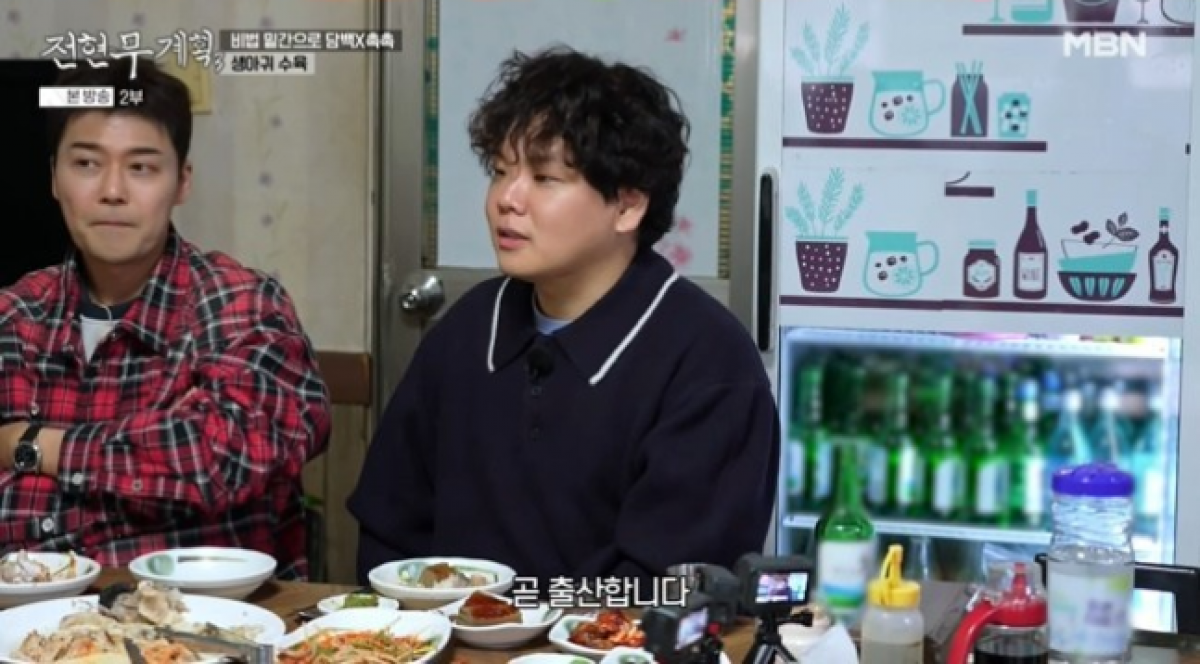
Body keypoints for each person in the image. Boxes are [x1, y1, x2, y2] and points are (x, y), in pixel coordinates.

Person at [350, 47, 779, 594]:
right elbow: (389, 530)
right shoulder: (468, 329)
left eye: (545, 177)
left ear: (627, 205)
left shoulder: (709, 364)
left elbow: (668, 586)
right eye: (500, 172)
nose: (507, 200)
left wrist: (511, 617)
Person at [0, 57, 331, 579]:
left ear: (181, 182)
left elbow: (221, 460)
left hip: (207, 623)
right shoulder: (15, 315)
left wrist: (33, 445)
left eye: (141, 167)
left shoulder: (243, 306)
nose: (112, 190)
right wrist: (149, 470)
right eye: (86, 163)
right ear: (54, 179)